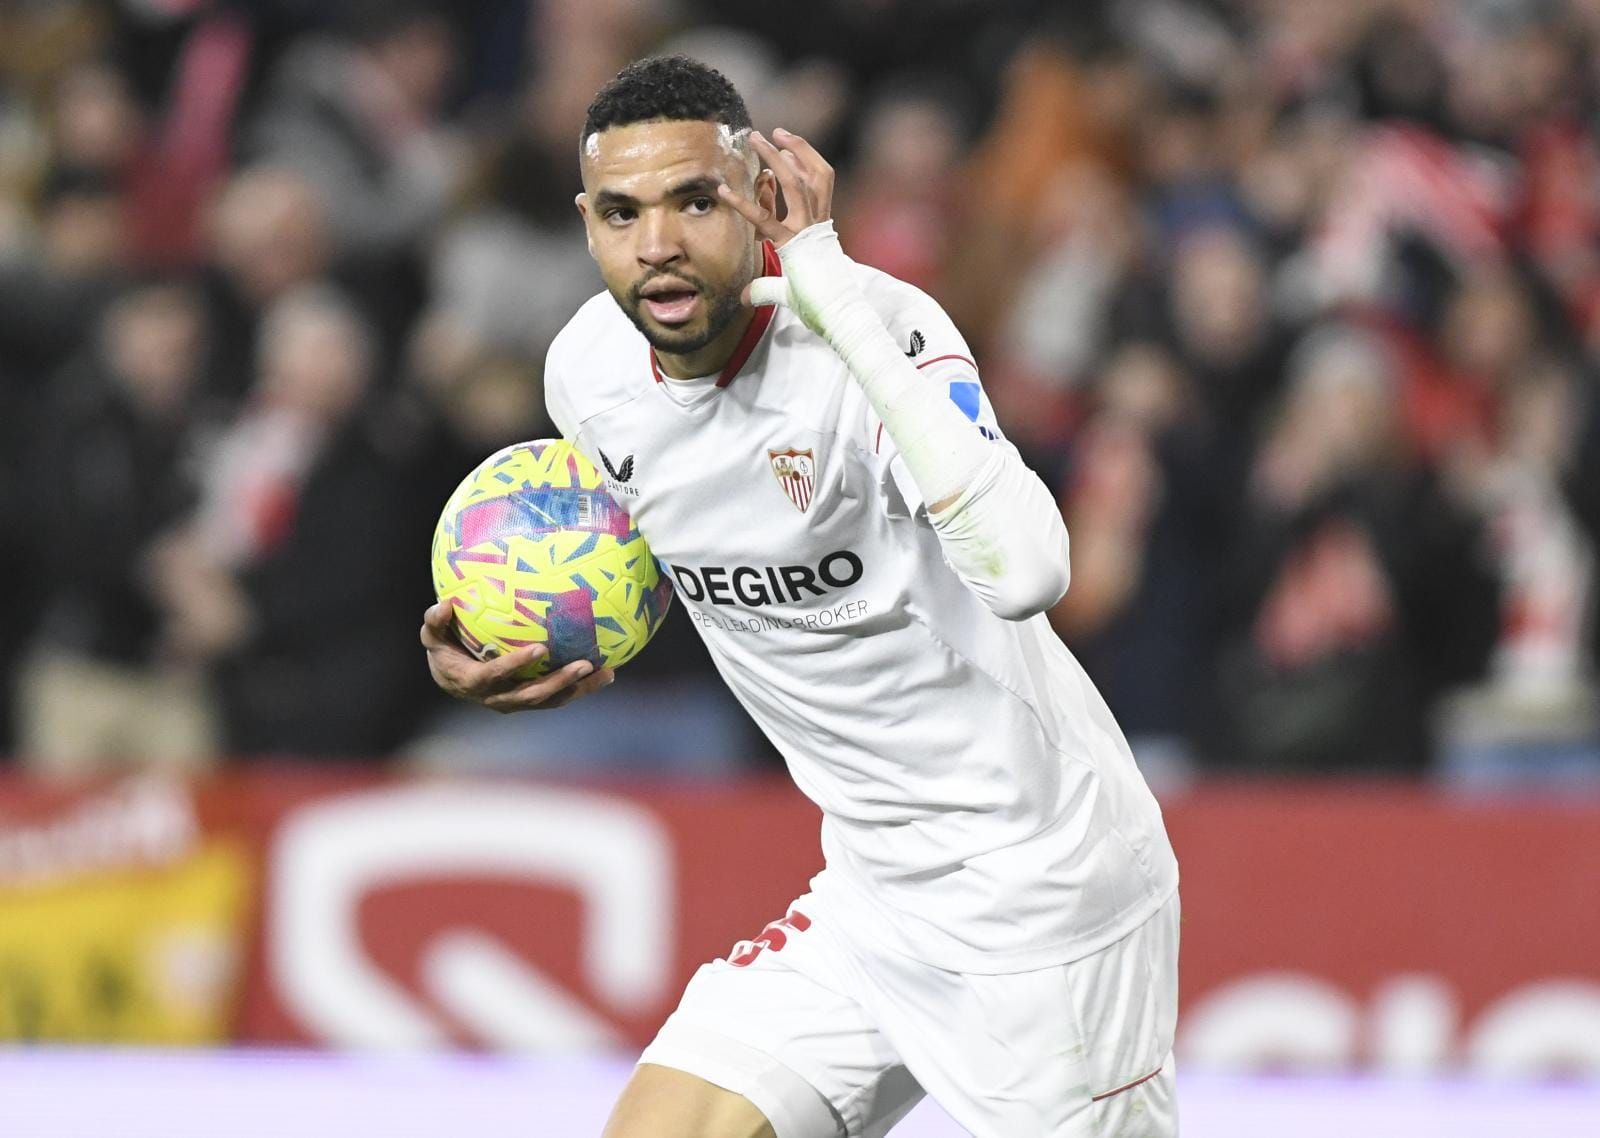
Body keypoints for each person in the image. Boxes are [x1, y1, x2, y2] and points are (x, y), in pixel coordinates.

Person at [420, 56, 1180, 1138]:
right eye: (623, 213)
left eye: (695, 200)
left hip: (1041, 891)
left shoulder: (873, 330)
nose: (658, 246)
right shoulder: (585, 373)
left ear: (760, 197)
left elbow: (1029, 571)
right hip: (871, 887)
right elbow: (706, 548)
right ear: (585, 222)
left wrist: (838, 300)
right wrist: (539, 643)